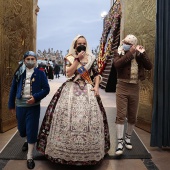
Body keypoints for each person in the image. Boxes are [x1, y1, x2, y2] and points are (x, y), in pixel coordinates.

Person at [36, 35, 110, 165]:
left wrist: (97, 87)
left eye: (84, 43)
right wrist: (77, 60)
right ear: (75, 45)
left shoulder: (92, 58)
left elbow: (97, 74)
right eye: (79, 43)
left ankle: (89, 151)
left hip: (88, 89)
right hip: (70, 88)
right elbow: (68, 74)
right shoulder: (69, 58)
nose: (81, 45)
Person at [8, 51, 50, 169]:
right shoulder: (19, 72)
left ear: (36, 60)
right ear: (24, 60)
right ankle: (27, 139)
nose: (30, 61)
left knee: (31, 129)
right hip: (20, 106)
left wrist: (36, 97)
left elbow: (46, 89)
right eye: (28, 59)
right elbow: (13, 88)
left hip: (33, 107)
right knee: (22, 129)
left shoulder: (40, 74)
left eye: (33, 59)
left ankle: (30, 156)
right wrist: (11, 105)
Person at [113, 34, 153, 155]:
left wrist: (143, 53)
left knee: (132, 116)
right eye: (124, 42)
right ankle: (120, 142)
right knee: (120, 115)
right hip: (122, 87)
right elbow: (117, 65)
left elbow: (149, 66)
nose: (124, 44)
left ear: (133, 45)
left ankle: (128, 138)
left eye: (128, 44)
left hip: (135, 87)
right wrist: (129, 53)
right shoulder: (119, 51)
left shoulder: (139, 54)